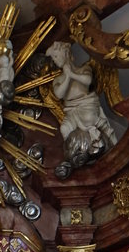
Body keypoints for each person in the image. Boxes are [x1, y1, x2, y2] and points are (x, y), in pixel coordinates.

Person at [45, 41, 117, 169]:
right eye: (53, 58)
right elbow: (59, 94)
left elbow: (87, 81)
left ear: (66, 54)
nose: (54, 61)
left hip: (86, 104)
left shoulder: (83, 69)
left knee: (89, 118)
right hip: (71, 110)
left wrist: (72, 74)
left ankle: (107, 138)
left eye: (56, 56)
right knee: (64, 128)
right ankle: (76, 155)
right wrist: (67, 76)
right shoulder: (58, 79)